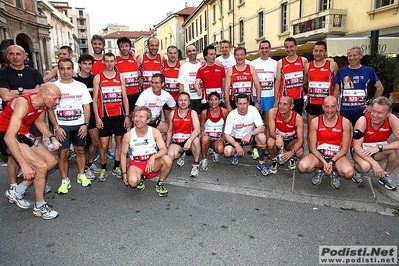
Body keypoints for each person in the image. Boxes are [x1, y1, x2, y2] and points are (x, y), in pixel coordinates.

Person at [1, 82, 61, 219]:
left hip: (23, 133)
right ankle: (40, 206)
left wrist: (52, 137)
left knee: (51, 161)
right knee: (41, 166)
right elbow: (9, 137)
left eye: (59, 99)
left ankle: (17, 191)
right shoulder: (23, 103)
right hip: (6, 134)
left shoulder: (42, 104)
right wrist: (23, 164)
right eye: (55, 98)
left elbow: (39, 123)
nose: (57, 102)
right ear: (44, 94)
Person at [0, 44, 50, 192]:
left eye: (18, 54)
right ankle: (14, 185)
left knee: (36, 149)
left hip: (31, 118)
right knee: (12, 155)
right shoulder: (3, 73)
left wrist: (16, 91)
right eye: (12, 54)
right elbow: (5, 95)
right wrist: (29, 91)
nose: (15, 57)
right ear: (7, 56)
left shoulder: (33, 72)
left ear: (25, 56)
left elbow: (42, 92)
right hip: (11, 118)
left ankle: (38, 178)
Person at [48, 58, 93, 193]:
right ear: (58, 70)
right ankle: (64, 180)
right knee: (63, 153)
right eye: (62, 68)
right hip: (62, 126)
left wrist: (85, 124)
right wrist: (56, 127)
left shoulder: (80, 86)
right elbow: (50, 109)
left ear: (72, 69)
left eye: (68, 68)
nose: (65, 71)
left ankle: (81, 175)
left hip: (79, 125)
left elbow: (86, 106)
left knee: (80, 150)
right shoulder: (53, 87)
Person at [298, 96, 354, 189]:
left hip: (337, 156)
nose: (330, 110)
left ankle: (335, 173)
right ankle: (318, 170)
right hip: (320, 156)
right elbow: (312, 147)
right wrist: (324, 162)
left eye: (333, 106)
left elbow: (344, 149)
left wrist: (331, 162)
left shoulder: (345, 122)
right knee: (302, 166)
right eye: (327, 107)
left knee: (349, 173)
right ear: (323, 107)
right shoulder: (315, 121)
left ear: (337, 107)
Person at [92, 52, 131, 181]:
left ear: (115, 62)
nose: (109, 63)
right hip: (104, 116)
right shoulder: (98, 77)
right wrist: (97, 117)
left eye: (111, 61)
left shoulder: (121, 78)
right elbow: (95, 100)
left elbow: (125, 98)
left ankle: (117, 166)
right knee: (103, 145)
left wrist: (127, 116)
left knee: (119, 142)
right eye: (107, 61)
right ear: (104, 62)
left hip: (119, 115)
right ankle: (103, 168)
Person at [120, 106, 172, 197]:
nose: (138, 119)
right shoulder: (128, 135)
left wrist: (153, 157)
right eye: (136, 116)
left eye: (141, 117)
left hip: (152, 163)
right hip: (136, 164)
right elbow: (123, 155)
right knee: (132, 182)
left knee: (168, 159)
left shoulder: (154, 132)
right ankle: (140, 178)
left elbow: (164, 150)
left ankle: (160, 183)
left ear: (148, 120)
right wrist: (124, 173)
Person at [352, 96, 398, 190]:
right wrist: (375, 164)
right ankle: (356, 169)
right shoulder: (362, 120)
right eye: (373, 111)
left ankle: (385, 176)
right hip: (361, 150)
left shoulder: (392, 119)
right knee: (366, 166)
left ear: (388, 114)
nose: (375, 115)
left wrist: (379, 147)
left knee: (397, 151)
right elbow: (357, 147)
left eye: (380, 113)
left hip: (377, 149)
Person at [334, 46, 384, 126]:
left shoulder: (368, 70)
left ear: (361, 56)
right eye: (349, 56)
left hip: (360, 110)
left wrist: (372, 105)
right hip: (343, 109)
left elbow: (380, 87)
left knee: (358, 134)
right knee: (343, 134)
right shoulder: (341, 71)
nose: (352, 58)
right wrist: (334, 104)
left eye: (355, 55)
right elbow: (336, 90)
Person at [223, 93, 269, 176]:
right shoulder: (232, 115)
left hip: (249, 136)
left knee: (262, 137)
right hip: (236, 138)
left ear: (248, 103)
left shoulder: (253, 110)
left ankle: (261, 162)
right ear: (236, 104)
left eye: (244, 103)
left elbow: (262, 127)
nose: (242, 106)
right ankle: (236, 154)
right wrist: (236, 145)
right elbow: (226, 135)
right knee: (227, 152)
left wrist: (250, 134)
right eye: (240, 104)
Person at [74, 54, 101, 179]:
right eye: (85, 63)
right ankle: (82, 168)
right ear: (79, 64)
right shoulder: (75, 80)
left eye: (90, 64)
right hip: (79, 117)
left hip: (93, 115)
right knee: (81, 145)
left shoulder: (95, 78)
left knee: (95, 142)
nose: (87, 66)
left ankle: (89, 164)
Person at [304, 41, 338, 130]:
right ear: (313, 52)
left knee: (326, 129)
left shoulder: (332, 65)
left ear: (325, 52)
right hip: (312, 104)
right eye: (316, 51)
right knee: (311, 130)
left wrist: (334, 100)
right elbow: (303, 82)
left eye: (321, 51)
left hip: (327, 104)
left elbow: (337, 85)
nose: (318, 53)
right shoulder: (307, 66)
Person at [166, 92, 201, 177]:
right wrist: (167, 146)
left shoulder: (192, 112)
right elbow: (169, 130)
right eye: (181, 100)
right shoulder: (172, 113)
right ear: (177, 102)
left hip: (189, 139)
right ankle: (181, 154)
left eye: (185, 100)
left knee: (196, 140)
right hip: (177, 140)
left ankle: (196, 164)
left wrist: (189, 141)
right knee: (170, 156)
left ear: (189, 102)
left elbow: (197, 129)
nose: (183, 102)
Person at [267, 95, 304, 174]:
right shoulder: (273, 112)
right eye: (280, 103)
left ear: (291, 106)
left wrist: (292, 152)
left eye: (285, 104)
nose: (281, 106)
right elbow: (271, 132)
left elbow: (301, 140)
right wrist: (278, 136)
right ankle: (274, 160)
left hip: (291, 141)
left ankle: (291, 158)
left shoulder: (298, 118)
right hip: (278, 140)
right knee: (270, 142)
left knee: (300, 151)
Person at [250, 40, 278, 137]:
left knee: (267, 122)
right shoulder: (253, 63)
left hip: (269, 96)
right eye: (262, 48)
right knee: (254, 122)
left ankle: (266, 143)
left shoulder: (275, 63)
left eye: (266, 48)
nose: (264, 50)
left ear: (270, 49)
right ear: (259, 49)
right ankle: (254, 144)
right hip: (255, 96)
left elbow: (277, 81)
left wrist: (276, 99)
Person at [274, 37, 308, 115]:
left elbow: (306, 79)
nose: (289, 49)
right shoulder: (280, 62)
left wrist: (299, 86)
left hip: (298, 98)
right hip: (285, 99)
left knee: (297, 121)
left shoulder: (303, 61)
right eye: (286, 47)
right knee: (284, 123)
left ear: (296, 46)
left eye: (291, 46)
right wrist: (276, 100)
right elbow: (278, 82)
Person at [224, 46, 261, 112]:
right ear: (234, 57)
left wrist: (258, 102)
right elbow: (226, 89)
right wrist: (228, 104)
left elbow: (258, 87)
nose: (239, 57)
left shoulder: (251, 69)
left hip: (249, 101)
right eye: (237, 55)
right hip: (235, 102)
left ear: (245, 55)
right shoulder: (230, 70)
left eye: (241, 54)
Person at [199, 91, 228, 171]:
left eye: (216, 99)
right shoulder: (204, 113)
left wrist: (224, 136)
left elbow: (227, 125)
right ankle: (204, 159)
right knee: (204, 139)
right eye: (211, 100)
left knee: (220, 150)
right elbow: (201, 127)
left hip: (218, 138)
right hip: (207, 138)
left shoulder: (224, 111)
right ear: (208, 101)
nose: (213, 102)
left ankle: (215, 151)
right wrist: (202, 132)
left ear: (219, 101)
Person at [195, 45, 226, 109]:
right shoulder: (201, 69)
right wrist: (198, 89)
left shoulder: (221, 67)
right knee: (205, 116)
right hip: (206, 99)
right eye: (211, 54)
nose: (214, 56)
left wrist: (225, 96)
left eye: (214, 54)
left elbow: (224, 83)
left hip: (219, 97)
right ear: (206, 56)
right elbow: (196, 83)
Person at [116, 36, 140, 118]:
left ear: (130, 47)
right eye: (121, 46)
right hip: (123, 95)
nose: (124, 48)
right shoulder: (115, 60)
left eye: (126, 46)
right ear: (119, 48)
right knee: (126, 119)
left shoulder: (135, 59)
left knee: (136, 118)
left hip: (135, 94)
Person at [178, 44, 202, 115]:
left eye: (194, 50)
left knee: (200, 119)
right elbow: (181, 84)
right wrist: (181, 99)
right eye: (189, 51)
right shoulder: (184, 67)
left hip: (200, 98)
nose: (192, 53)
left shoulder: (202, 65)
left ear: (197, 51)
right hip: (189, 99)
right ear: (186, 54)